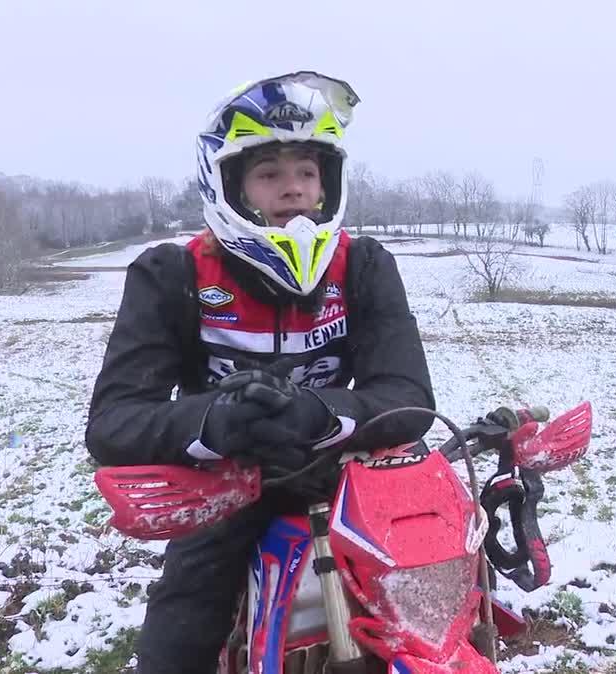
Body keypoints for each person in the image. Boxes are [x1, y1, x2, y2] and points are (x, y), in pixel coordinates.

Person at [84, 71, 436, 674]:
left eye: (307, 172)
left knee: (437, 597)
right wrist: (216, 422)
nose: (294, 190)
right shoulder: (174, 273)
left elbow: (410, 398)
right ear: (231, 186)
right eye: (270, 173)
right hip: (226, 483)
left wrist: (321, 414)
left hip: (346, 467)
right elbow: (112, 423)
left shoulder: (364, 265)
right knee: (180, 633)